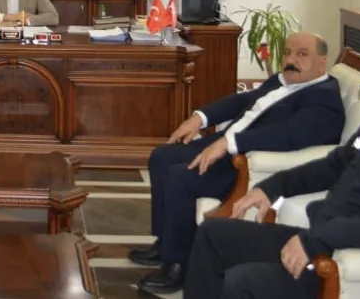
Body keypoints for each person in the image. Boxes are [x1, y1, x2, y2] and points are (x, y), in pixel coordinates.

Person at [181, 48, 360, 299]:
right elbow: (333, 166)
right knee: (212, 234)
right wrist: (272, 187)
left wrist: (319, 240)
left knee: (242, 281)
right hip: (324, 239)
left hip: (350, 261)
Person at [134, 31, 346, 293]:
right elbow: (244, 100)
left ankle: (178, 263)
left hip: (241, 162)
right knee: (161, 157)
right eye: (288, 53)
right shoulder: (284, 81)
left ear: (322, 63)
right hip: (225, 145)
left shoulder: (324, 98)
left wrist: (230, 143)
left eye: (302, 54)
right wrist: (200, 117)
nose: (291, 60)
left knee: (180, 177)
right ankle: (166, 243)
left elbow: (289, 134)